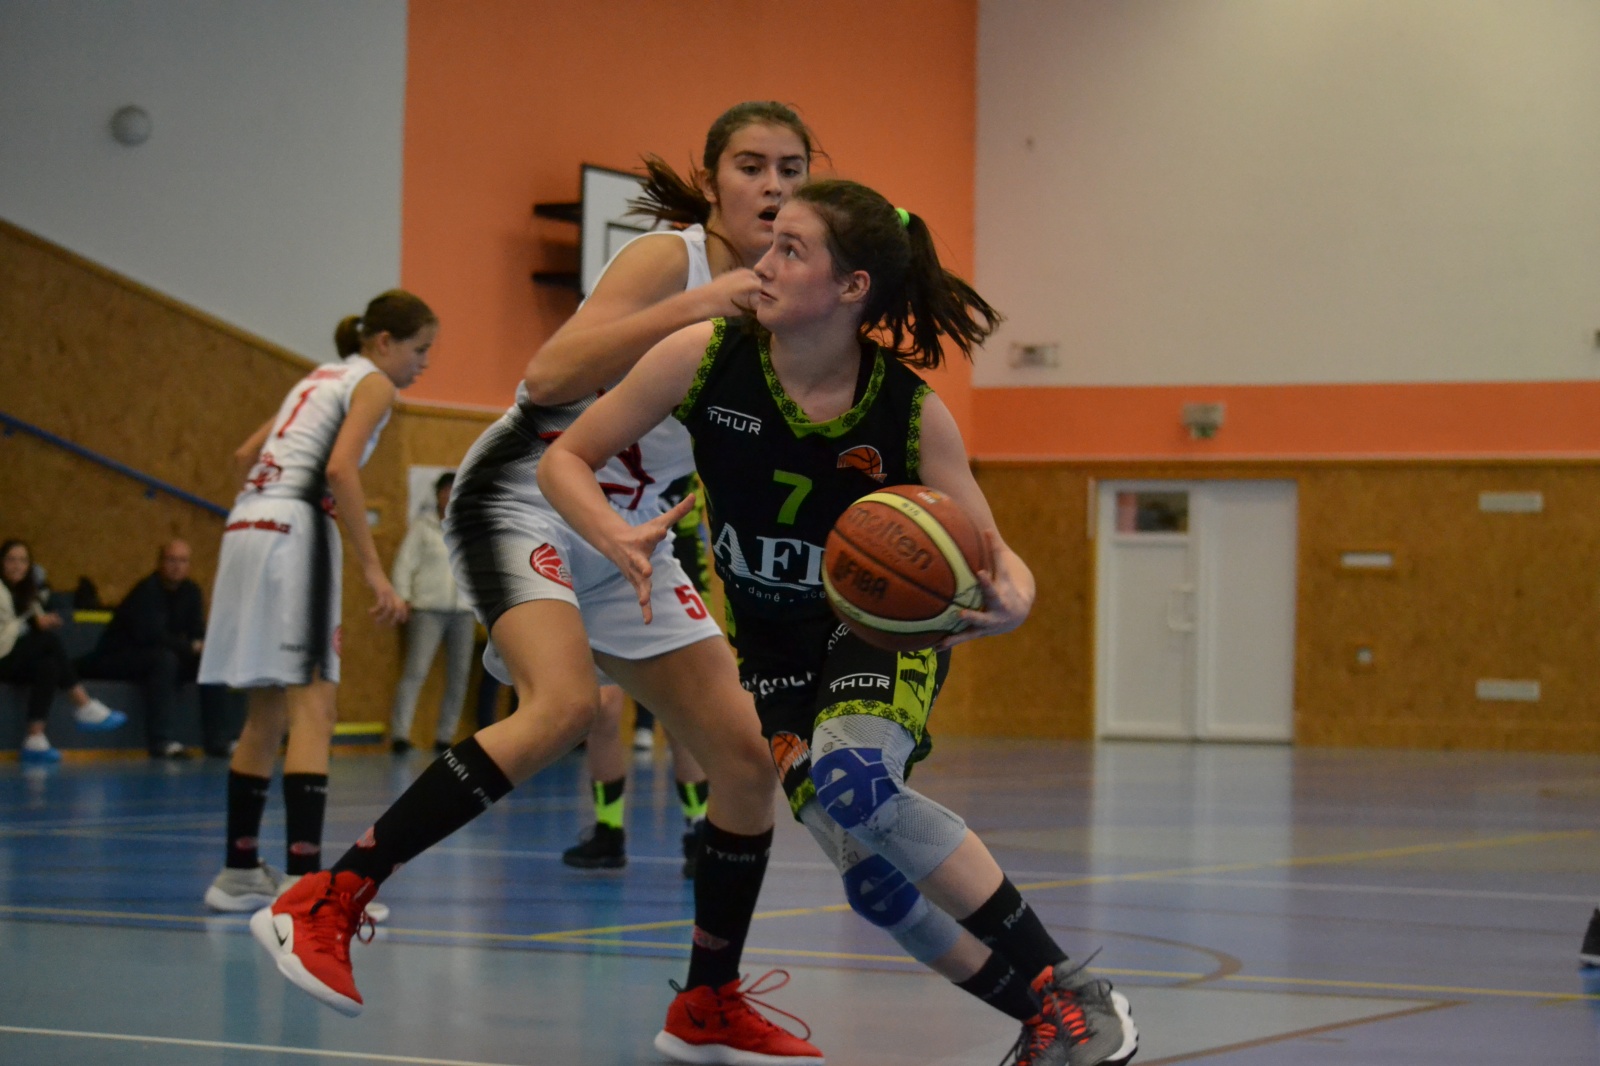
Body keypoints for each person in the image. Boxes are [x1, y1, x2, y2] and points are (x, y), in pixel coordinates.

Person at [250, 102, 826, 1065]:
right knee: (562, 706)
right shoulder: (672, 262)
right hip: (527, 492)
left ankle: (708, 999)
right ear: (713, 180)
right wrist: (696, 305)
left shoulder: (789, 314)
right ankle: (326, 899)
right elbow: (549, 373)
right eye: (751, 165)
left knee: (743, 758)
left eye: (791, 168)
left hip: (631, 531)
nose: (772, 185)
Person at [539, 180, 1140, 1066]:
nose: (765, 263)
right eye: (769, 243)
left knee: (857, 780)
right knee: (872, 884)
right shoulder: (704, 356)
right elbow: (566, 456)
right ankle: (1041, 1018)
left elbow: (996, 555)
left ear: (852, 287)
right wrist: (612, 531)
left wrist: (1012, 596)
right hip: (771, 650)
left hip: (873, 632)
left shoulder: (907, 412)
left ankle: (1070, 988)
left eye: (792, 250)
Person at [199, 290, 434, 918]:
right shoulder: (373, 383)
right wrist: (374, 570)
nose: (424, 364)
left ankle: (239, 871)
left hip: (246, 523)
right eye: (420, 350)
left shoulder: (319, 376)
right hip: (295, 528)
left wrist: (268, 508)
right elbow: (339, 470)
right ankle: (306, 887)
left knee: (267, 710)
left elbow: (245, 456)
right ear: (384, 343)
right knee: (315, 707)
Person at [562, 472, 711, 880]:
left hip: (664, 586)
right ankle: (609, 830)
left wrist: (696, 605)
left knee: (680, 714)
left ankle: (699, 829)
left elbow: (690, 541)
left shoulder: (676, 467)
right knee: (603, 709)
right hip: (605, 587)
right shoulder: (594, 460)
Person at [80, 539, 243, 759]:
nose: (177, 566)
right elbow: (152, 636)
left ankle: (219, 741)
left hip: (163, 655)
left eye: (183, 561)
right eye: (171, 560)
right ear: (160, 563)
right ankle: (162, 741)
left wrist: (205, 646)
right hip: (120, 656)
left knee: (210, 661)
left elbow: (196, 630)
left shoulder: (191, 591)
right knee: (164, 660)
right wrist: (191, 646)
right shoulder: (146, 591)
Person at [1, 539, 128, 763]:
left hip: (13, 659)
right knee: (48, 641)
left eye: (23, 561)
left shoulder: (27, 592)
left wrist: (39, 620)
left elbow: (30, 622)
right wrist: (35, 622)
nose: (17, 566)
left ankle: (35, 738)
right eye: (11, 560)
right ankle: (83, 704)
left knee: (48, 665)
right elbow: (9, 631)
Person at [388, 471, 476, 755]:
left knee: (459, 676)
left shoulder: (470, 528)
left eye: (454, 490)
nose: (449, 496)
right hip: (427, 609)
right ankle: (400, 734)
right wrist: (402, 597)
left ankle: (444, 736)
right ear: (437, 495)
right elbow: (404, 564)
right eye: (444, 491)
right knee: (416, 670)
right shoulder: (422, 527)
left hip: (463, 612)